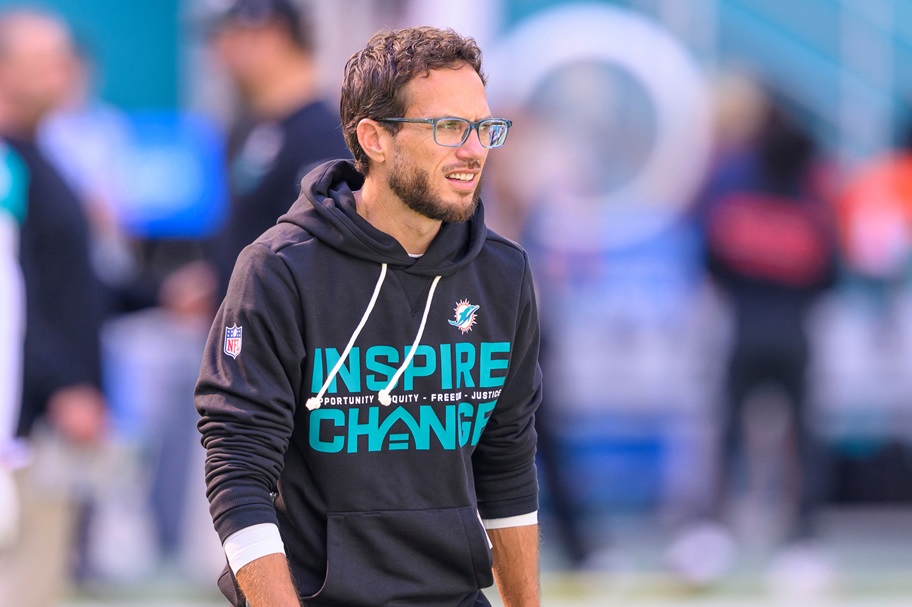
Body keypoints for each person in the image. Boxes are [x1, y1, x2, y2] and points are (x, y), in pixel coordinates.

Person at [196, 26, 542, 607]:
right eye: (449, 128)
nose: (474, 149)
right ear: (374, 138)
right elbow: (238, 467)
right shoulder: (278, 270)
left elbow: (507, 465)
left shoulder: (503, 274)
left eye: (484, 128)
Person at [667, 97, 839, 590]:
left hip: (745, 328)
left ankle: (713, 534)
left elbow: (711, 259)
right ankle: (801, 541)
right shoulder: (813, 195)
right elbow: (831, 272)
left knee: (731, 435)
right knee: (800, 437)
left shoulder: (736, 188)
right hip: (794, 331)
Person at [0, 10, 109, 607]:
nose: (64, 74)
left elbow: (68, 283)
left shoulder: (43, 157)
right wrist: (63, 382)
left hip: (52, 426)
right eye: (48, 61)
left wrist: (157, 296)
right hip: (23, 423)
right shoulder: (6, 167)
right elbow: (10, 297)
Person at [206, 0, 351, 298]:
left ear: (271, 36)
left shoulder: (327, 135)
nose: (220, 53)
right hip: (240, 327)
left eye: (230, 37)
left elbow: (322, 254)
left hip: (285, 335)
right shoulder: (245, 130)